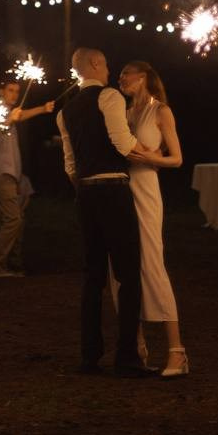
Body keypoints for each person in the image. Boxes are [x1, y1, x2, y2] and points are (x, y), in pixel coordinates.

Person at [57, 47, 156, 377]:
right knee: (128, 274)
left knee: (93, 275)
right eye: (107, 63)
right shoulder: (110, 97)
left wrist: (84, 188)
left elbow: (70, 165)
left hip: (84, 193)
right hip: (113, 189)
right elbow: (122, 143)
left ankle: (90, 355)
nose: (110, 69)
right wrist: (156, 155)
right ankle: (127, 356)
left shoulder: (66, 110)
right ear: (95, 64)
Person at [116, 60, 187, 377]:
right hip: (120, 189)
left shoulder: (161, 111)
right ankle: (137, 346)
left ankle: (177, 352)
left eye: (125, 75)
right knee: (121, 267)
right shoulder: (123, 113)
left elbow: (177, 158)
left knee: (151, 263)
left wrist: (150, 157)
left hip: (145, 188)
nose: (120, 79)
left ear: (142, 77)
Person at [0, 80, 53, 277]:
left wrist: (43, 108)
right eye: (10, 90)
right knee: (13, 219)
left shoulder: (11, 113)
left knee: (5, 220)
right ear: (0, 91)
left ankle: (7, 264)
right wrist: (11, 119)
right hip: (1, 173)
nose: (15, 95)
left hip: (13, 174)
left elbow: (20, 115)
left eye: (17, 91)